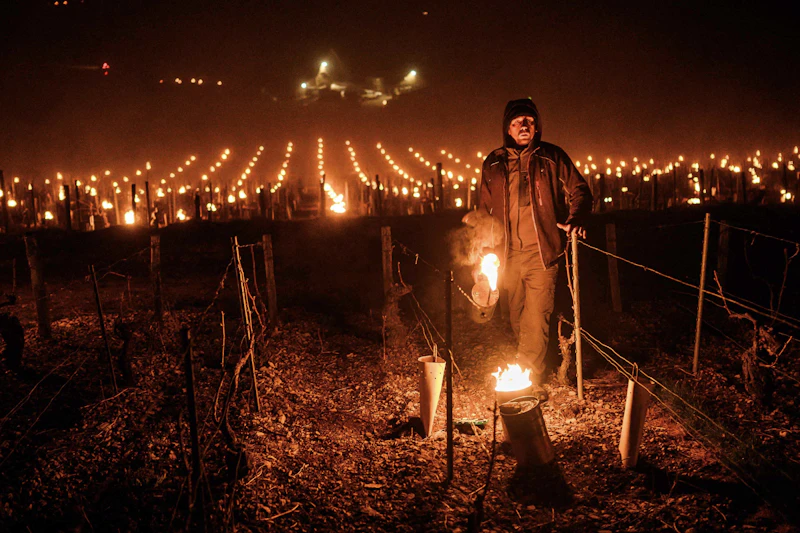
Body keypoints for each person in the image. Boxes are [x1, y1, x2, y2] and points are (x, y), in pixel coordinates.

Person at [477, 97, 592, 393]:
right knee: (515, 317)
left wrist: (576, 218)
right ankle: (526, 366)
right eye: (516, 123)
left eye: (528, 120)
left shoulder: (552, 156)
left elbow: (580, 190)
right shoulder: (493, 163)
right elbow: (483, 212)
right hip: (507, 257)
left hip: (543, 255)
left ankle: (526, 380)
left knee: (535, 318)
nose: (523, 126)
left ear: (537, 125)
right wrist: (484, 252)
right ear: (507, 129)